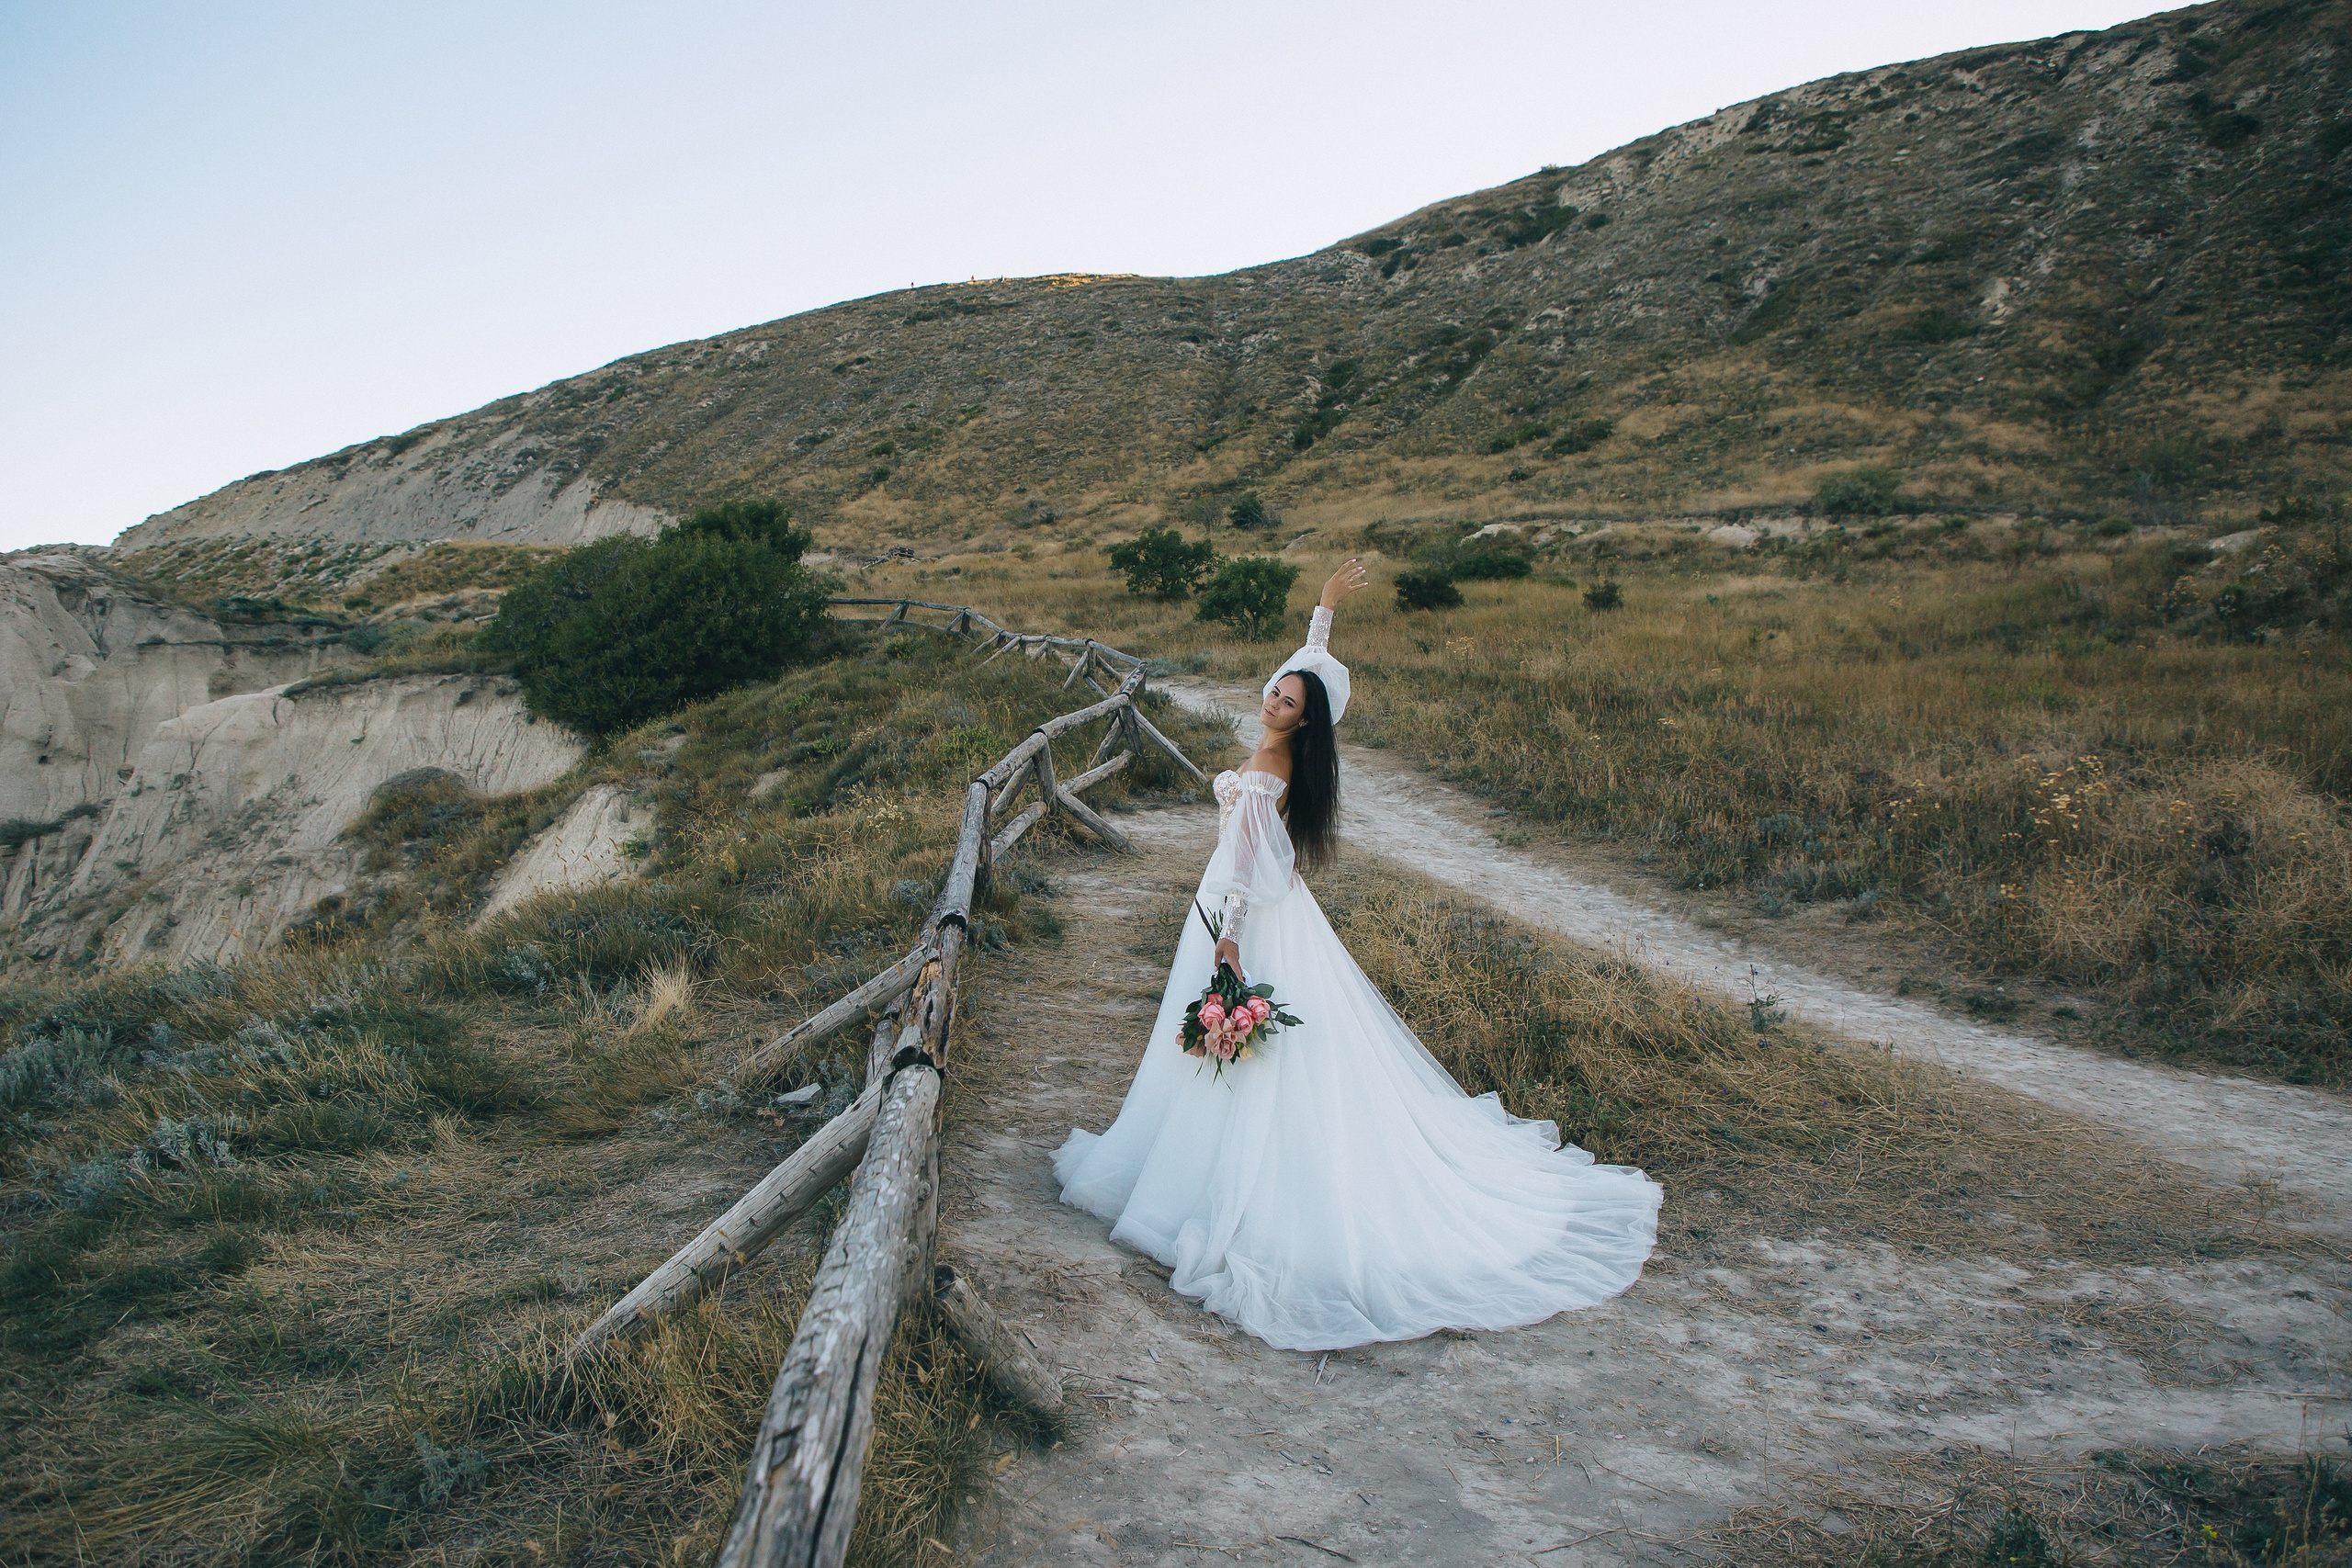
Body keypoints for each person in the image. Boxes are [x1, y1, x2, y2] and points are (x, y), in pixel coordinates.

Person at [1052, 560, 1662, 1351]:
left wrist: (1227, 943)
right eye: (1274, 688)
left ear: (1303, 722)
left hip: (1241, 917)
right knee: (1268, 1056)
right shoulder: (1287, 755)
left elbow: (1238, 869)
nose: (1273, 697)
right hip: (1274, 912)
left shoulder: (1268, 769)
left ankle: (1226, 1187)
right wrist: (1323, 613)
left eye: (1286, 699)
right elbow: (1307, 688)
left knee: (1240, 1051)